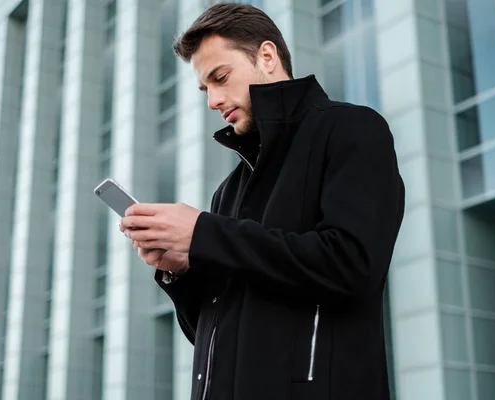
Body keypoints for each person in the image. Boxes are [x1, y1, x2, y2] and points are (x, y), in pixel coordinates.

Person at [119, 3, 405, 399]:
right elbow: (210, 334)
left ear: (267, 57)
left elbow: (353, 265)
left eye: (220, 78)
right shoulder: (229, 189)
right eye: (205, 89)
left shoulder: (351, 129)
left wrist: (204, 232)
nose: (212, 101)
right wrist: (183, 271)